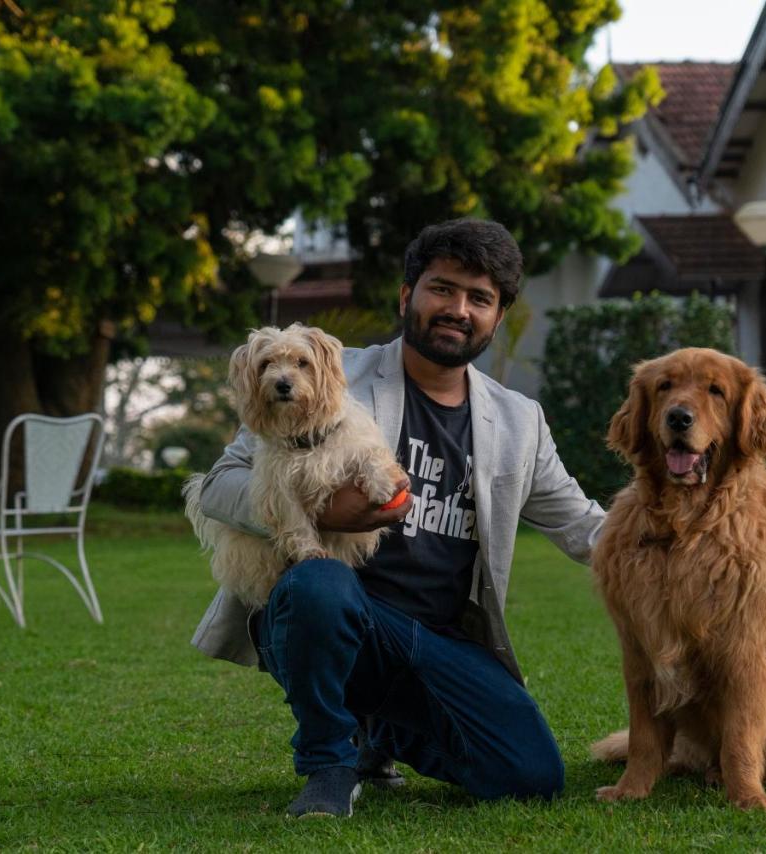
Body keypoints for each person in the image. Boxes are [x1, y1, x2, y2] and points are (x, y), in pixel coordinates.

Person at [190, 218, 605, 817]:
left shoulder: (519, 421)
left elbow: (583, 525)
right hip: (326, 610)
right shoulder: (329, 373)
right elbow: (218, 486)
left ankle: (380, 732)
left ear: (497, 315)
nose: (458, 309)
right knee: (317, 585)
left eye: (479, 298)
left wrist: (687, 543)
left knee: (529, 775)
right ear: (408, 295)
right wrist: (327, 509)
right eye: (443, 289)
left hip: (434, 637)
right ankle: (329, 764)